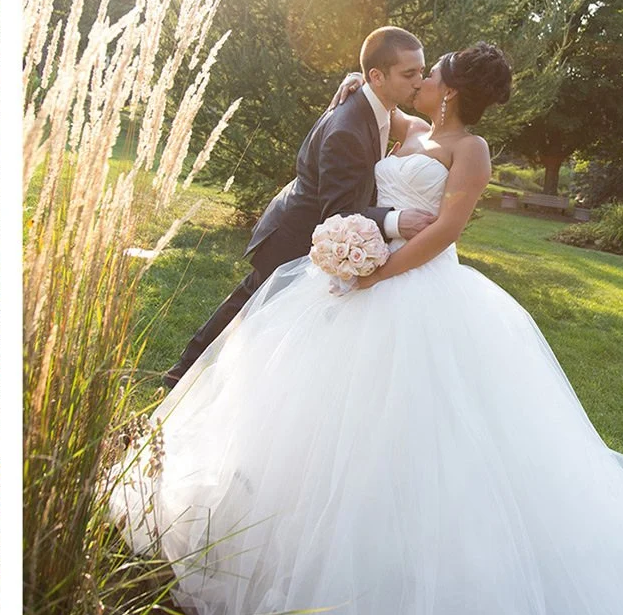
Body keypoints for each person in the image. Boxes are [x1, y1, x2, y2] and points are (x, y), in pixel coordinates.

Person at [118, 42, 623, 615]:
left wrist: (377, 274)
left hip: (416, 291)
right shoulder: (405, 130)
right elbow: (356, 152)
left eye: (431, 71)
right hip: (356, 280)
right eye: (415, 71)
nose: (423, 79)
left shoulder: (471, 150)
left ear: (450, 88)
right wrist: (359, 119)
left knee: (419, 431)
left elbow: (446, 229)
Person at [162, 26, 435, 387]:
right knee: (247, 312)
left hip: (300, 229)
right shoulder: (348, 128)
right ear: (377, 76)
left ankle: (204, 375)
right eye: (409, 73)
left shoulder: (374, 106)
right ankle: (184, 375)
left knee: (256, 311)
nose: (419, 81)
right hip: (292, 236)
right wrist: (397, 221)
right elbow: (340, 214)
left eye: (422, 71)